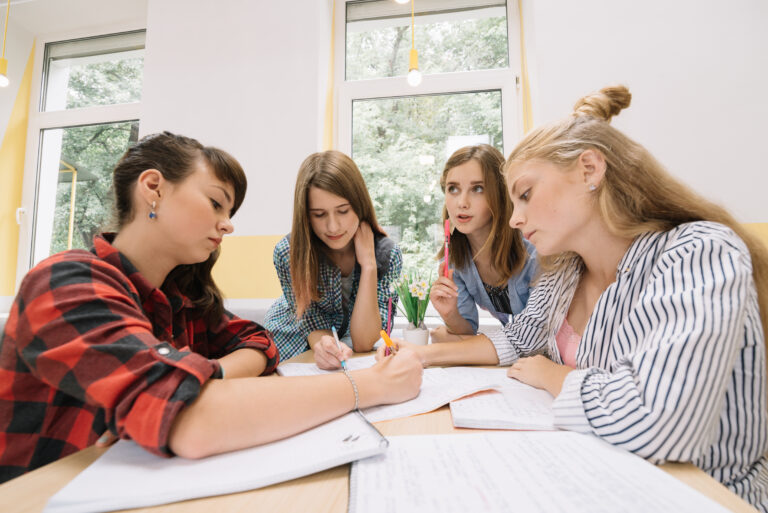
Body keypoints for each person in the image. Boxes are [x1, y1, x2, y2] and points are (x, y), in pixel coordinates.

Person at [379, 86, 768, 510]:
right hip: (603, 475)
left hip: (704, 494)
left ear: (589, 170)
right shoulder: (566, 271)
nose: (515, 219)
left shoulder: (698, 252)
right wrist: (421, 355)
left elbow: (659, 421)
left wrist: (553, 375)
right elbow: (518, 340)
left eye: (525, 194)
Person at [0, 133, 422, 483]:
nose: (228, 223)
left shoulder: (182, 296)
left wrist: (207, 375)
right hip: (40, 492)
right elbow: (190, 419)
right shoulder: (67, 282)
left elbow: (259, 342)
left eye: (229, 211)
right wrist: (374, 385)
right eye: (216, 203)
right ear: (154, 188)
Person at [265, 150, 402, 368]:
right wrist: (326, 346)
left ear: (359, 205)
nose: (333, 226)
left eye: (343, 211)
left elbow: (364, 341)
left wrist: (368, 265)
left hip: (351, 353)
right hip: (290, 342)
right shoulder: (287, 252)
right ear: (306, 216)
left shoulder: (387, 255)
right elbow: (311, 324)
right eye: (319, 215)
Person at [429, 145, 537, 342]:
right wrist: (450, 313)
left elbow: (534, 335)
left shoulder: (534, 252)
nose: (462, 202)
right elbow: (467, 330)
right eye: (453, 189)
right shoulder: (455, 262)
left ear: (500, 194)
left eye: (477, 189)